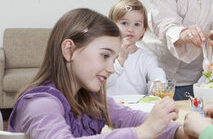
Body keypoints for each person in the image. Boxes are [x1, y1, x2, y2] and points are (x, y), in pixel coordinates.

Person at [8, 8, 184, 138]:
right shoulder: (41, 103)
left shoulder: (89, 99)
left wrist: (180, 131)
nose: (111, 68)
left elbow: (130, 117)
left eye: (113, 59)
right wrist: (143, 132)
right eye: (104, 55)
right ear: (69, 50)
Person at [106, 0, 166, 96]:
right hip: (110, 109)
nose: (131, 29)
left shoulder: (145, 57)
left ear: (144, 30)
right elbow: (104, 83)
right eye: (124, 23)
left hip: (137, 107)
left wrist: (158, 84)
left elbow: (156, 73)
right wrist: (121, 60)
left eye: (137, 24)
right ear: (112, 26)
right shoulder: (105, 55)